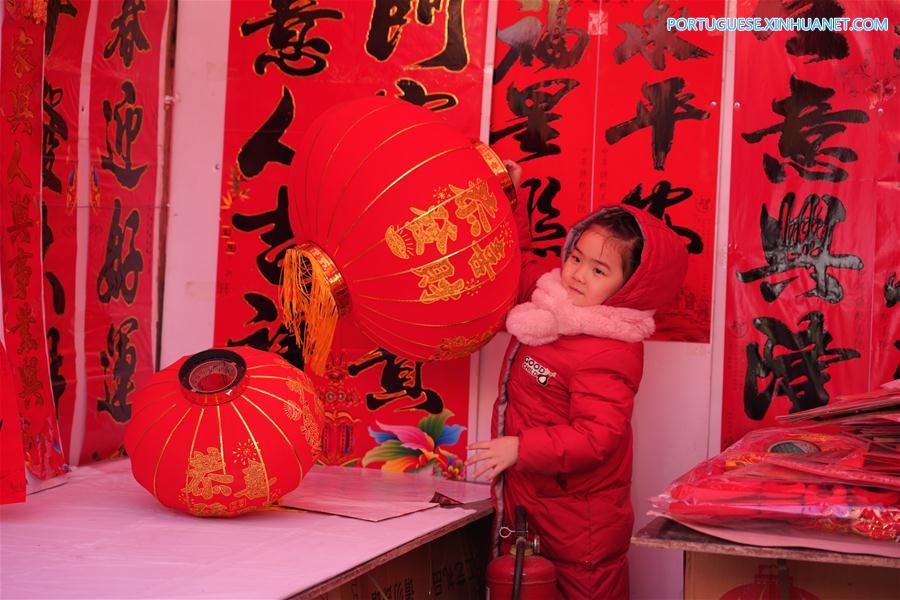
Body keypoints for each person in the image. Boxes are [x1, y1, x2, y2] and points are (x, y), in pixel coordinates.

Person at [468, 161, 689, 599]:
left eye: (599, 270)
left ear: (629, 288)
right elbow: (516, 262)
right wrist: (509, 195)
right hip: (536, 506)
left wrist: (520, 448)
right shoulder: (551, 296)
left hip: (580, 529)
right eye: (576, 257)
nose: (577, 274)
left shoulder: (611, 349)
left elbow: (596, 436)